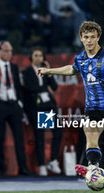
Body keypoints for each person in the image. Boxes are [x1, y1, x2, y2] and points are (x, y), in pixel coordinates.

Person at [38, 21, 104, 193]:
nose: (89, 40)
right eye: (86, 37)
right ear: (81, 38)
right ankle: (92, 168)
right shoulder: (80, 58)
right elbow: (72, 69)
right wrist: (49, 71)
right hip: (93, 109)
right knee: (91, 134)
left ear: (98, 37)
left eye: (93, 37)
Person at [0, 41, 31, 176]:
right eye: (6, 51)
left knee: (19, 138)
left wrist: (20, 103)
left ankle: (23, 168)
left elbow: (18, 87)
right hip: (0, 105)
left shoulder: (14, 67)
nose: (9, 54)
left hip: (14, 105)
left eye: (10, 51)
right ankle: (2, 168)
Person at [22, 47, 63, 176]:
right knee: (40, 135)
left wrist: (49, 73)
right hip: (36, 106)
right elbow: (30, 88)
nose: (38, 58)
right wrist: (44, 89)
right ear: (31, 57)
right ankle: (41, 165)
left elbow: (55, 87)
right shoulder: (27, 72)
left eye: (40, 55)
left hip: (48, 105)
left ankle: (53, 160)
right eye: (36, 55)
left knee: (57, 130)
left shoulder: (46, 71)